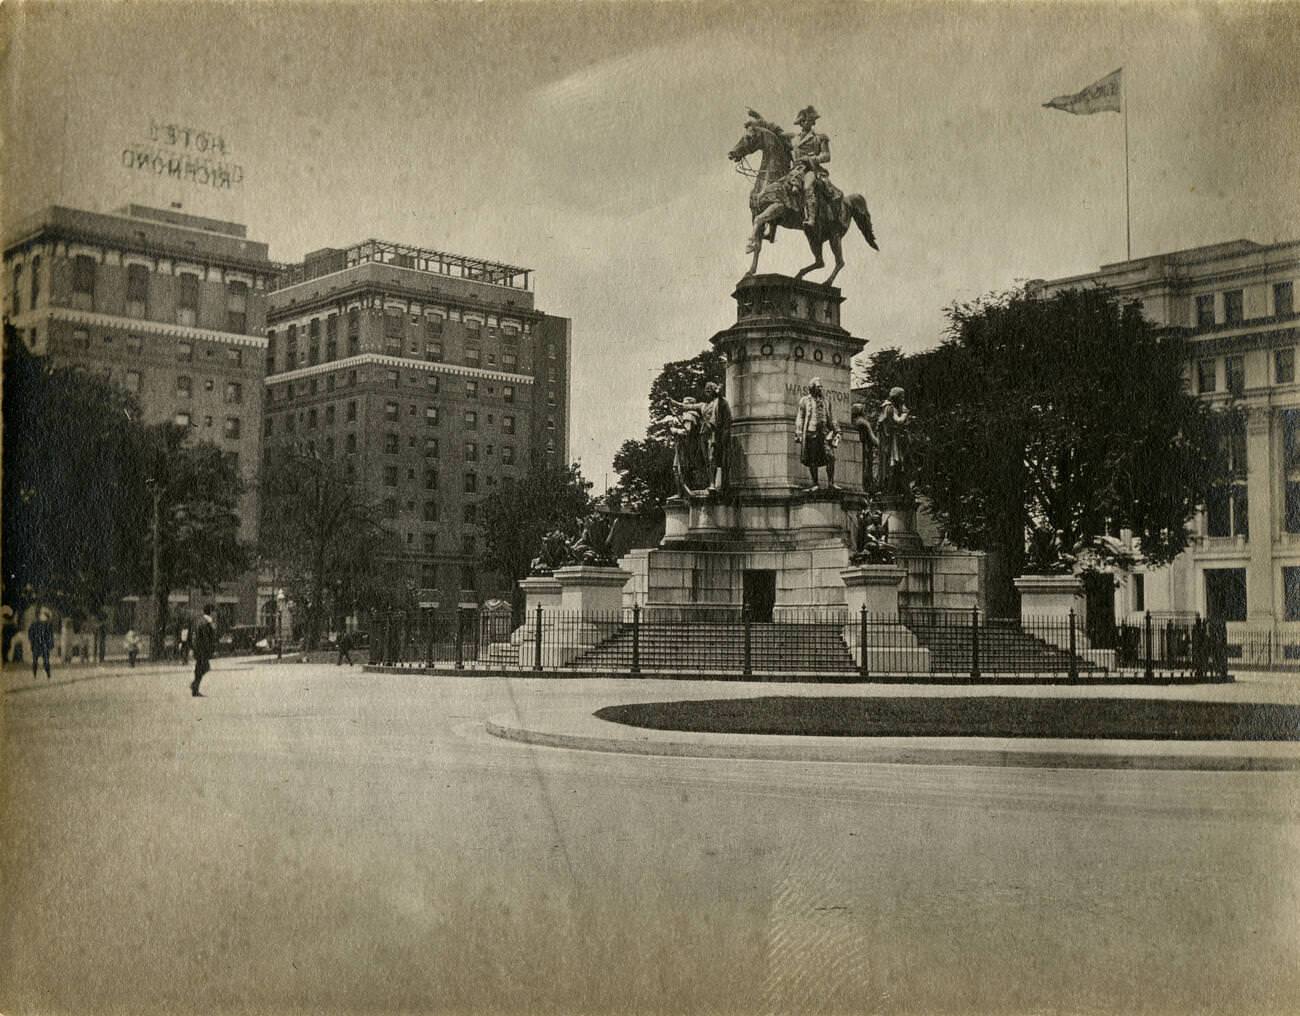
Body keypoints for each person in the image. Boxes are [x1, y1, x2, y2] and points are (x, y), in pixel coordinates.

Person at [747, 105, 833, 229]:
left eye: (807, 120)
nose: (805, 123)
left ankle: (811, 218)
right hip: (795, 171)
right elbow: (773, 131)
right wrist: (758, 118)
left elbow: (826, 156)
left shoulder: (820, 138)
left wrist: (811, 159)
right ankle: (772, 226)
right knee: (775, 188)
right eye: (802, 121)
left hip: (811, 170)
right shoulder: (793, 138)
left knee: (808, 186)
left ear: (812, 122)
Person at [669, 382, 733, 493]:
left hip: (714, 433)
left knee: (712, 457)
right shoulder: (702, 405)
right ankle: (711, 483)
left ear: (714, 390)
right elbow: (686, 406)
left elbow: (725, 411)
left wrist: (719, 392)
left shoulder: (720, 402)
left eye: (710, 389)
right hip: (704, 434)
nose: (707, 390)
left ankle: (714, 484)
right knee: (707, 460)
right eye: (706, 389)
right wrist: (672, 402)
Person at [794, 378, 839, 490]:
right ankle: (815, 484)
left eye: (821, 387)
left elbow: (831, 418)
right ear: (812, 388)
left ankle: (831, 483)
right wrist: (799, 432)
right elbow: (800, 417)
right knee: (812, 459)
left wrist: (837, 430)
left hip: (824, 434)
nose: (820, 389)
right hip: (811, 432)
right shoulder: (804, 401)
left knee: (831, 458)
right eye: (818, 387)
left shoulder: (826, 401)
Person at [876, 387, 912, 499]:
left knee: (898, 465)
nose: (903, 399)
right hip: (892, 444)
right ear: (896, 397)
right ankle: (890, 489)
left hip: (896, 442)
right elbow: (898, 421)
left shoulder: (894, 407)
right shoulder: (889, 408)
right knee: (893, 464)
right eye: (902, 396)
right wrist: (905, 413)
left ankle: (896, 489)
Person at [190, 605, 217, 697]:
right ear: (210, 612)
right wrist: (209, 650)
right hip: (203, 650)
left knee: (199, 668)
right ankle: (194, 686)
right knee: (204, 667)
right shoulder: (206, 623)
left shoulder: (199, 621)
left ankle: (195, 688)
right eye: (213, 611)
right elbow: (206, 638)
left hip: (197, 648)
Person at [28, 609, 54, 680]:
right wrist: (32, 642)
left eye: (46, 617)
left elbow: (50, 636)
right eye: (43, 616)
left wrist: (50, 645)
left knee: (46, 661)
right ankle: (34, 675)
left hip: (44, 645)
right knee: (35, 661)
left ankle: (48, 675)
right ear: (40, 616)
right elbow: (30, 634)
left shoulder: (48, 625)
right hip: (36, 645)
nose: (44, 618)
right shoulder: (34, 624)